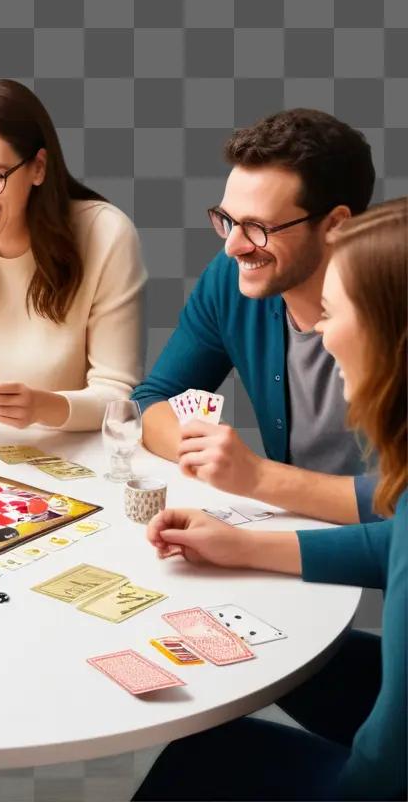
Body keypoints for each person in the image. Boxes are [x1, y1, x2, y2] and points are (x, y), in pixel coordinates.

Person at [135, 198, 406, 802]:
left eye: (334, 312)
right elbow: (398, 542)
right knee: (279, 656)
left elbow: (384, 770)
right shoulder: (230, 286)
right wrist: (245, 546)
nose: (317, 331)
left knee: (204, 758)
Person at [132, 109, 381, 524]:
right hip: (286, 535)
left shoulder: (394, 306)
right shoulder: (232, 280)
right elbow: (152, 401)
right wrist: (213, 460)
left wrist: (258, 478)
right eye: (227, 220)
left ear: (336, 224)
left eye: (258, 228)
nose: (233, 247)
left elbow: (399, 501)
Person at [0, 78, 146, 431]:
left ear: (38, 168)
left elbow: (119, 397)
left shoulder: (106, 233)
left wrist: (47, 407)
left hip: (73, 458)